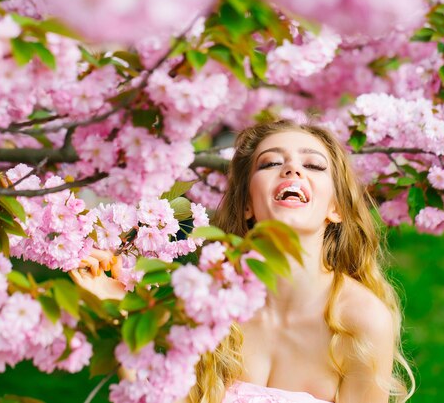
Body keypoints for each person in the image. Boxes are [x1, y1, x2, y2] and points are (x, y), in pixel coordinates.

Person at [70, 120, 415, 403]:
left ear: (335, 208)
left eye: (312, 165)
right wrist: (121, 314)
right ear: (247, 204)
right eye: (271, 163)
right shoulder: (209, 302)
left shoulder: (363, 322)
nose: (292, 169)